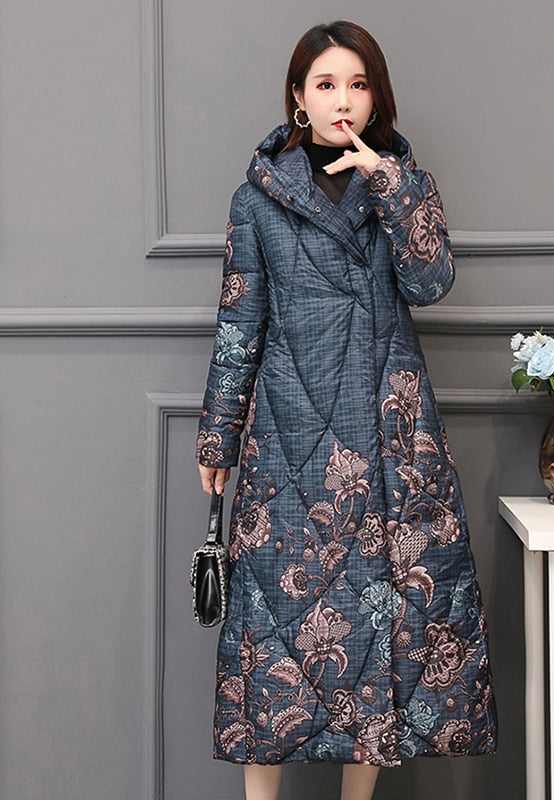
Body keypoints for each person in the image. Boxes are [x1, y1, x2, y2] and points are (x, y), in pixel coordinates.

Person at [196, 21, 497, 800]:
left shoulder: (404, 183)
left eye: (357, 85)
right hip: (286, 440)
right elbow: (239, 323)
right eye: (325, 84)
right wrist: (217, 436)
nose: (342, 100)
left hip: (393, 434)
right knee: (271, 638)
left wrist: (391, 187)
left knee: (382, 628)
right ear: (298, 98)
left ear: (376, 96)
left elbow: (432, 284)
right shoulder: (257, 200)